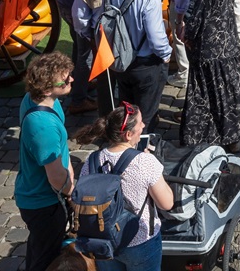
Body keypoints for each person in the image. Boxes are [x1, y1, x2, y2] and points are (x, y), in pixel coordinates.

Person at [74, 103, 175, 271]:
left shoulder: (92, 160)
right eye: (140, 123)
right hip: (140, 241)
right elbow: (167, 204)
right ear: (129, 134)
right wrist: (155, 170)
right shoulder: (145, 162)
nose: (143, 126)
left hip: (103, 241)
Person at [181, 0, 240, 148]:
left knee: (207, 100)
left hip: (210, 54)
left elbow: (197, 19)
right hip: (226, 48)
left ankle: (208, 140)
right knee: (225, 99)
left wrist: (185, 33)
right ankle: (230, 137)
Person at [99, 0, 172, 129]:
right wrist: (166, 54)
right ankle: (140, 152)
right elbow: (156, 36)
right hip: (145, 64)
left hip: (121, 62)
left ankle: (125, 147)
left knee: (128, 113)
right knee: (144, 119)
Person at [15, 52, 74, 271]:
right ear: (47, 89)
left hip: (37, 196)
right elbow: (56, 177)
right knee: (46, 259)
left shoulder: (38, 99)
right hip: (44, 203)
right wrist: (71, 192)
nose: (71, 80)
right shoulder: (44, 126)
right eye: (65, 80)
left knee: (39, 247)